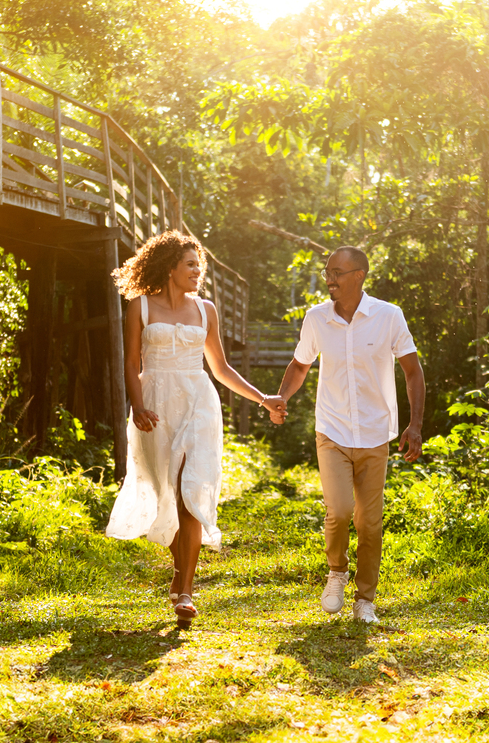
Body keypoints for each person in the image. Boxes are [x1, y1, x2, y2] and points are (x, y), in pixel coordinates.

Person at [105, 230, 285, 625]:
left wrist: (263, 399)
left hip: (198, 402)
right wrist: (137, 405)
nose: (197, 271)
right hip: (155, 405)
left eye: (198, 265)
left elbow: (220, 369)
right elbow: (131, 364)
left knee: (190, 491)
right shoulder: (140, 308)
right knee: (165, 492)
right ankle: (178, 573)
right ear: (170, 267)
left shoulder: (206, 310)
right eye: (190, 264)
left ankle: (185, 589)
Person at [268, 246, 424, 624]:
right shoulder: (317, 318)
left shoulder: (389, 316)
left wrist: (415, 424)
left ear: (359, 275)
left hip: (374, 434)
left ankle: (365, 600)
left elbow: (413, 371)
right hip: (333, 431)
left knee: (369, 522)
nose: (329, 279)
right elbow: (300, 363)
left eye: (337, 272)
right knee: (338, 512)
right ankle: (337, 573)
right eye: (326, 272)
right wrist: (281, 397)